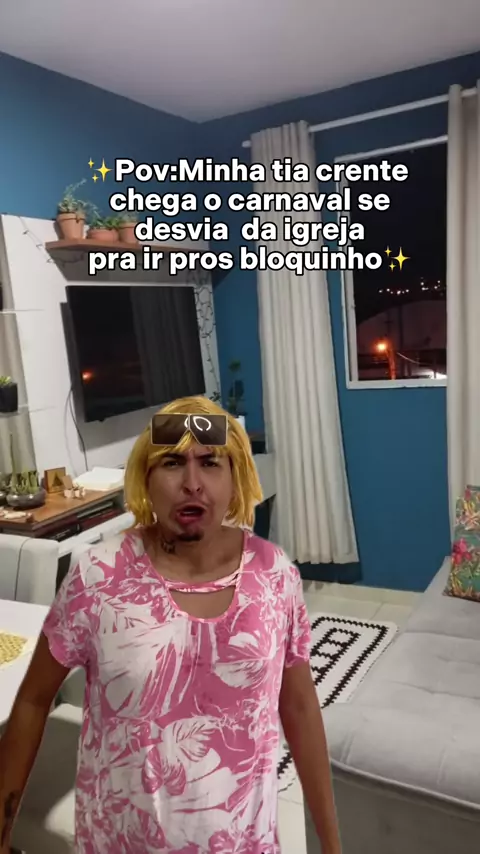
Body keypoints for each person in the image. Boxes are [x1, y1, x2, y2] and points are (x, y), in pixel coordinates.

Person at [0, 396, 341, 854]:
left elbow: (299, 708)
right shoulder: (97, 576)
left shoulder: (274, 574)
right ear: (146, 477)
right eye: (172, 462)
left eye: (210, 462)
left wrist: (331, 843)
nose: (192, 483)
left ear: (236, 477)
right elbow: (32, 699)